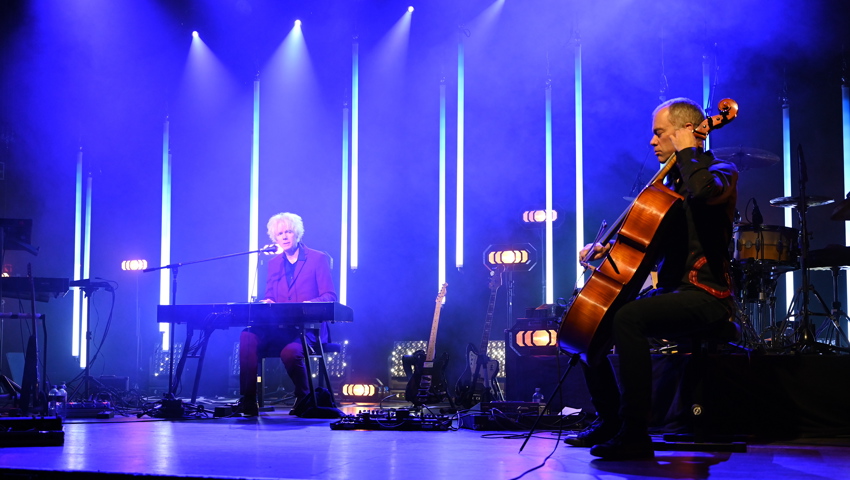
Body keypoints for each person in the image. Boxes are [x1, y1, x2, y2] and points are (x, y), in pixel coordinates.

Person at [564, 98, 738, 459]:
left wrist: (689, 150)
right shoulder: (667, 186)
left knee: (629, 318)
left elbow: (704, 191)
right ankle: (610, 418)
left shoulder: (721, 172)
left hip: (707, 295)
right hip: (672, 292)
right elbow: (643, 245)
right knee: (591, 315)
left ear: (687, 132)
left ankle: (635, 431)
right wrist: (606, 250)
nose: (652, 141)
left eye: (660, 133)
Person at [238, 212, 338, 416]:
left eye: (288, 232)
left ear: (297, 234)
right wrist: (267, 302)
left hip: (309, 329)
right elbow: (270, 296)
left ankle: (305, 398)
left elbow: (330, 296)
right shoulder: (274, 263)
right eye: (280, 233)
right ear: (275, 238)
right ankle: (248, 401)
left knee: (290, 352)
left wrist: (309, 304)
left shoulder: (318, 258)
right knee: (247, 336)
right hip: (279, 328)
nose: (284, 237)